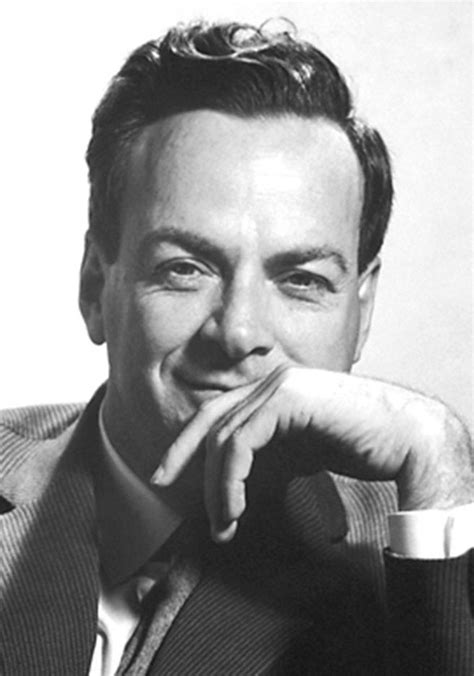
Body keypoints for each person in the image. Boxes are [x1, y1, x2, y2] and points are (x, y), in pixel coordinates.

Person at [1, 19, 472, 676]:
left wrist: (437, 449)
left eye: (302, 280)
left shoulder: (426, 543)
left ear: (360, 313)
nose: (241, 331)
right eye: (186, 268)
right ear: (93, 286)